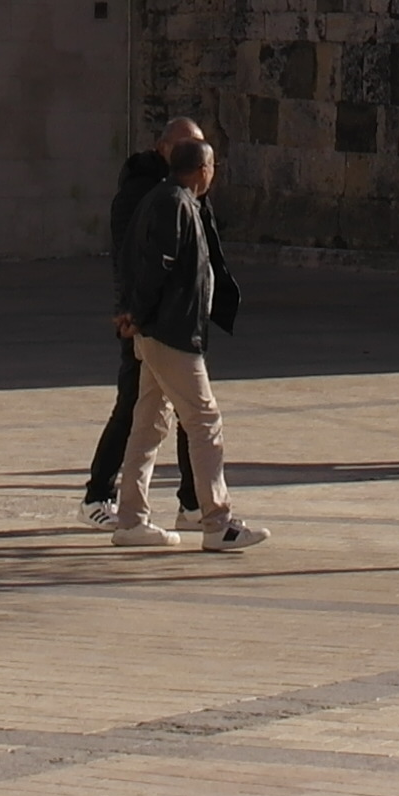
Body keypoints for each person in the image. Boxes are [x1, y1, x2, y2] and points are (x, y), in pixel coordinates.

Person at [101, 133, 260, 551]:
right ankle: (217, 522)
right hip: (170, 333)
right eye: (213, 168)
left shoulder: (161, 197)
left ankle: (132, 520)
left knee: (148, 422)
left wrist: (133, 312)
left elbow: (137, 261)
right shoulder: (175, 203)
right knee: (204, 422)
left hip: (156, 331)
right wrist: (136, 313)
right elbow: (157, 266)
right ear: (203, 170)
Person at [80, 118, 217, 521]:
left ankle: (172, 507)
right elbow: (141, 263)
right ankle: (101, 495)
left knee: (154, 415)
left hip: (177, 320)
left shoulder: (185, 195)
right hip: (158, 323)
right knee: (189, 416)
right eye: (185, 147)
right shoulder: (155, 196)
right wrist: (133, 314)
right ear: (163, 148)